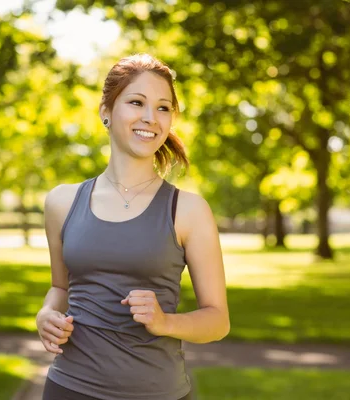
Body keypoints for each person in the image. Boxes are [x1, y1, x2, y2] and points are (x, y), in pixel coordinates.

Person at [37, 53, 229, 400]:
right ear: (106, 112)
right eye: (136, 102)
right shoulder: (61, 203)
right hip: (69, 389)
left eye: (163, 108)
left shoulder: (188, 210)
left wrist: (165, 322)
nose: (149, 118)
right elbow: (59, 288)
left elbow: (217, 320)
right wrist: (47, 314)